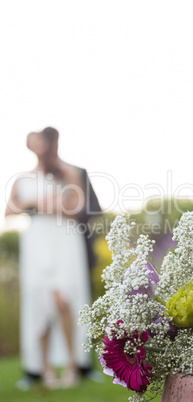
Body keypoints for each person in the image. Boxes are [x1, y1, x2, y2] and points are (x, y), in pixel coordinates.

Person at [5, 127, 101, 389]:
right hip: (37, 242)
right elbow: (9, 210)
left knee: (64, 299)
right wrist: (36, 202)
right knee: (40, 301)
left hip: (63, 238)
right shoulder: (22, 178)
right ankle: (44, 367)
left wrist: (55, 205)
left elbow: (79, 207)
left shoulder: (67, 172)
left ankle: (73, 365)